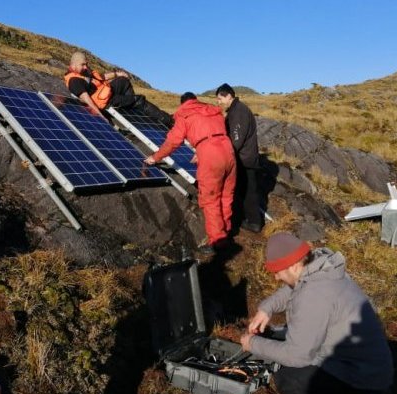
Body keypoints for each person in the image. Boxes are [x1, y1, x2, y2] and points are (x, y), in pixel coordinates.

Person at [240, 232, 393, 394]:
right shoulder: (322, 268)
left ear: (294, 266)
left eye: (278, 271)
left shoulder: (313, 296)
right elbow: (295, 287)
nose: (276, 277)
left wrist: (253, 344)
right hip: (370, 368)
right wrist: (266, 308)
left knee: (289, 377)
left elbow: (297, 356)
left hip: (362, 380)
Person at [144, 92, 236, 254]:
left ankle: (218, 241)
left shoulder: (185, 115)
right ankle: (226, 230)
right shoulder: (212, 110)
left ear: (182, 104)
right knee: (227, 195)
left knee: (210, 199)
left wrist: (155, 157)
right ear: (195, 100)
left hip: (210, 155)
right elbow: (212, 133)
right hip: (228, 150)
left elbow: (173, 142)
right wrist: (200, 150)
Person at [64, 51, 173, 126]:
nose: (86, 67)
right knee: (139, 99)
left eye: (86, 64)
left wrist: (118, 74)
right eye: (83, 65)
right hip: (107, 102)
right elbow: (87, 100)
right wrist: (100, 117)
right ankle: (168, 120)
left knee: (123, 81)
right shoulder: (74, 81)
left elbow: (102, 77)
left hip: (108, 92)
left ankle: (132, 114)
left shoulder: (84, 72)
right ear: (73, 65)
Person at [216, 83, 262, 233]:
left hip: (244, 159)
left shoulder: (238, 111)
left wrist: (225, 157)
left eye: (220, 98)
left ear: (229, 96)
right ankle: (249, 219)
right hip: (245, 158)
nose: (218, 102)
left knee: (248, 192)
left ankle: (254, 222)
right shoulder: (236, 110)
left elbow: (237, 138)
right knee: (244, 191)